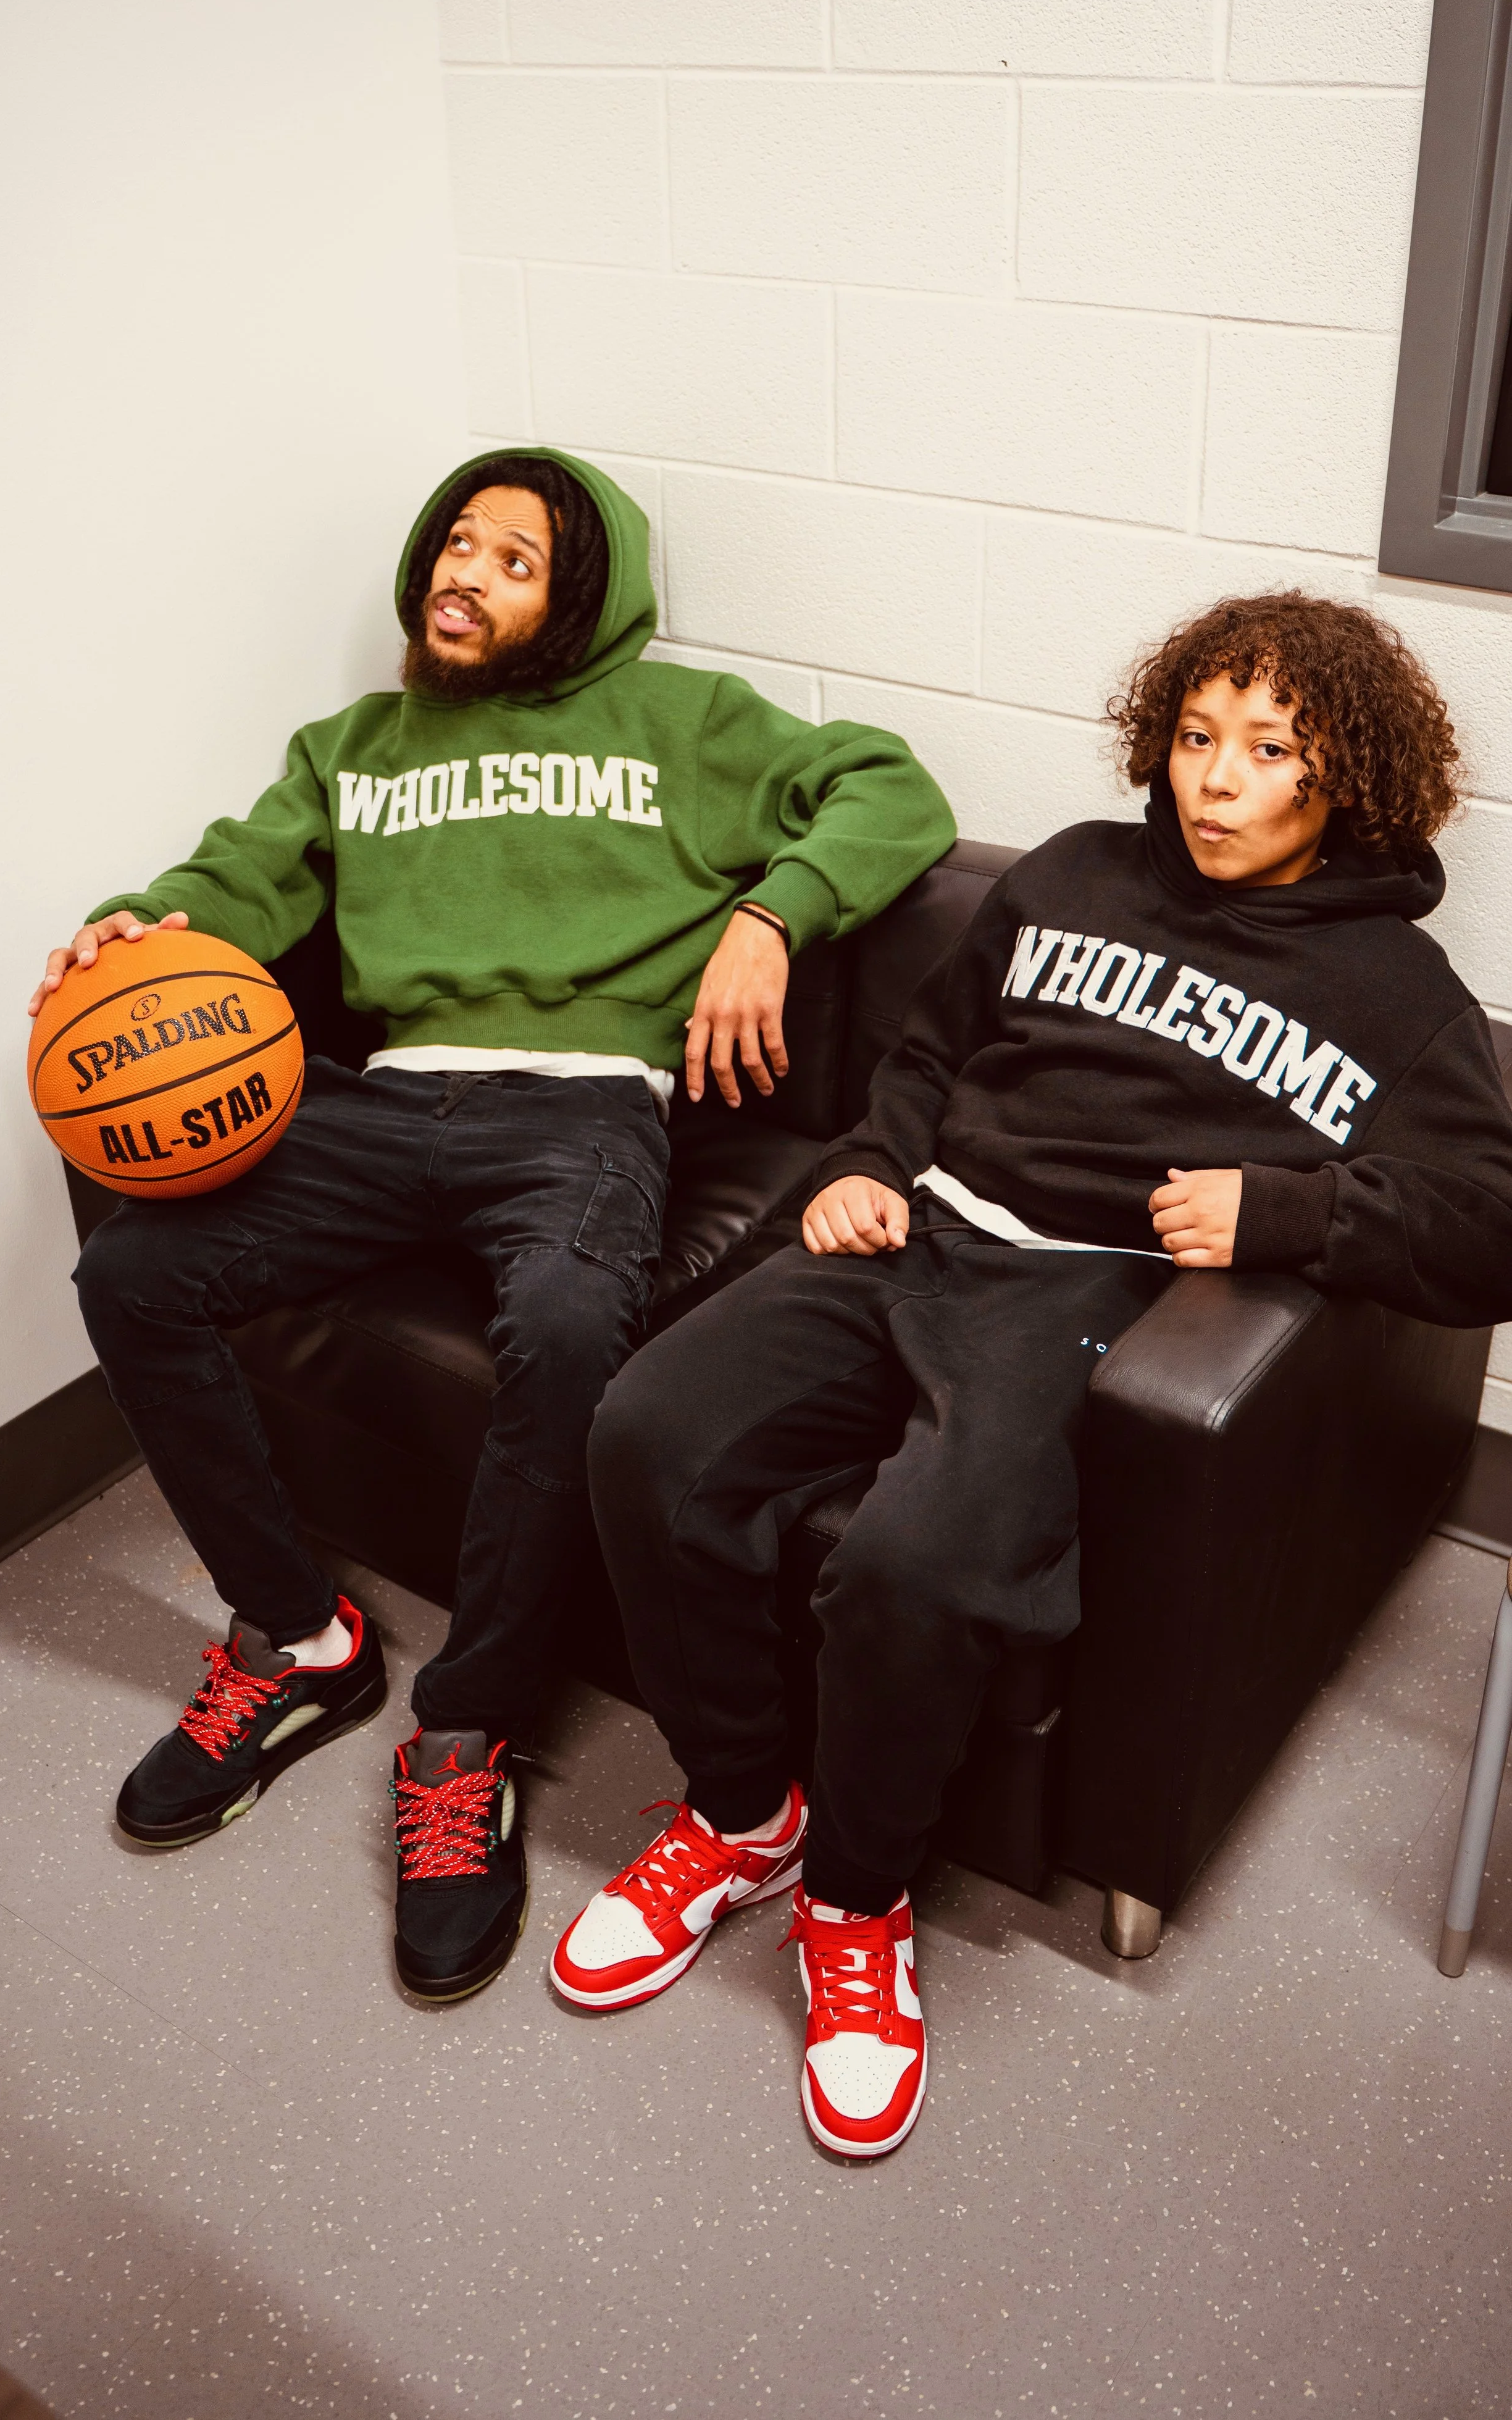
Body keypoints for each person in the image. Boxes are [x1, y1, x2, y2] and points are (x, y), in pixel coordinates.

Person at [554, 590, 1512, 2158]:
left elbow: (1486, 1229)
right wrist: (863, 1161)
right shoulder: (1069, 871)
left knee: (917, 1560)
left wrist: (1286, 1209)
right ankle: (742, 1812)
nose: (1215, 779)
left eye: (1266, 750)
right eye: (1196, 737)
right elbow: (928, 1057)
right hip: (911, 1233)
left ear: (1339, 778)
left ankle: (856, 1908)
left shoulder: (1396, 993)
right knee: (648, 1428)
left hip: (1081, 1294)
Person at [35, 446, 954, 2003]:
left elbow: (891, 787)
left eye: (514, 558)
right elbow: (240, 883)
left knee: (572, 1321)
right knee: (131, 1268)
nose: (465, 572)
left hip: (582, 1108)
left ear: (578, 600)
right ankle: (297, 1634)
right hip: (370, 1100)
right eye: (455, 543)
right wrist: (154, 926)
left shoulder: (690, 725)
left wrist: (766, 914)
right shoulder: (355, 746)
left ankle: (463, 1732)